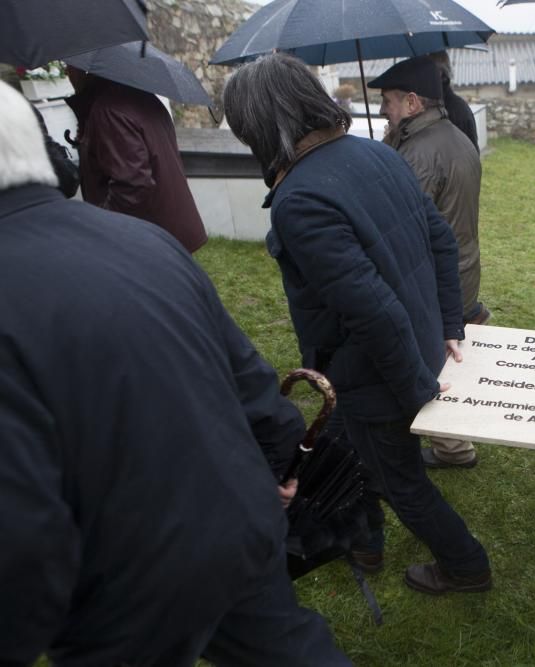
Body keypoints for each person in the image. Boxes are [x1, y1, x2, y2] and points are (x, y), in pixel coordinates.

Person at [0, 81, 349, 666]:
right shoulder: (146, 241)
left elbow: (21, 536)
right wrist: (283, 460)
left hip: (124, 580)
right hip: (240, 515)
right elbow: (248, 378)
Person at [222, 53, 492, 595]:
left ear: (261, 124)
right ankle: (363, 542)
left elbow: (373, 308)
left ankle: (466, 567)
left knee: (401, 479)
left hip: (379, 373)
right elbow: (439, 243)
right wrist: (447, 327)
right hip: (389, 358)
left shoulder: (300, 200)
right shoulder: (377, 153)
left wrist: (419, 382)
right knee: (344, 450)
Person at [370, 55, 487, 470]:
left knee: (432, 360)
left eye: (388, 101)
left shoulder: (419, 153)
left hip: (438, 280)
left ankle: (453, 449)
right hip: (461, 270)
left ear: (413, 102)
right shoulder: (453, 136)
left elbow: (392, 218)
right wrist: (390, 140)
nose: (384, 109)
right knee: (441, 355)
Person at [65, 66, 207, 253]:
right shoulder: (139, 96)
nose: (67, 73)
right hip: (168, 231)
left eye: (69, 66)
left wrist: (100, 225)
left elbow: (133, 185)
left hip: (149, 239)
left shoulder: (109, 111)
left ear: (85, 70)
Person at [427, 50, 479, 153]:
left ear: (440, 73)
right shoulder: (431, 104)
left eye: (425, 71)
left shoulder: (455, 110)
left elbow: (469, 156)